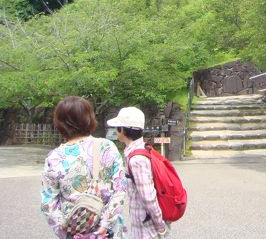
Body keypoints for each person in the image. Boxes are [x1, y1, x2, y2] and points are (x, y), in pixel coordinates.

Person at [41, 96, 127, 238]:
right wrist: (105, 224)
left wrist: (66, 229)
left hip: (73, 231)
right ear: (89, 118)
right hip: (109, 232)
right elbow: (120, 189)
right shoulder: (106, 147)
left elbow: (48, 204)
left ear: (59, 123)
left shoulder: (54, 157)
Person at [108, 106, 171, 239]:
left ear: (123, 130)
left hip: (147, 229)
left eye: (117, 127)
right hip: (145, 224)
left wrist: (161, 228)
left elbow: (149, 198)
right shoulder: (143, 148)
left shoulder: (136, 160)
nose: (116, 131)